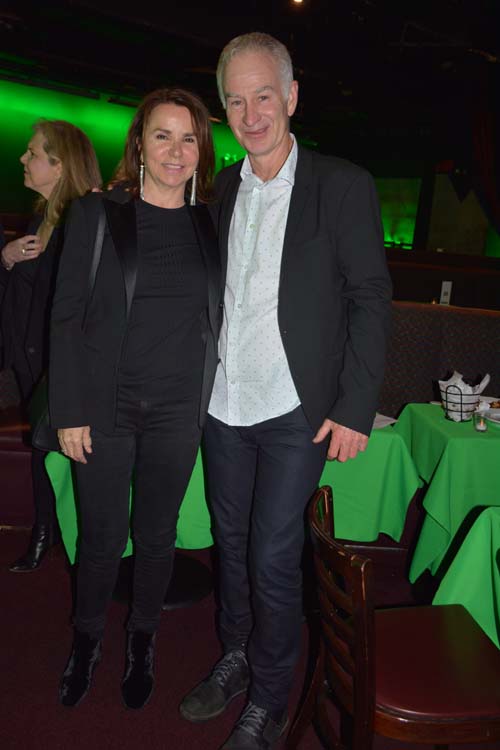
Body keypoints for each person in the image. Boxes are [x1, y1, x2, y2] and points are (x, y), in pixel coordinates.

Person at [179, 32, 392, 749]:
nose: (250, 112)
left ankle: (270, 696)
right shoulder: (221, 189)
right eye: (235, 100)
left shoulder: (342, 185)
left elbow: (370, 297)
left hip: (295, 407)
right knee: (230, 541)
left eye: (263, 94)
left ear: (292, 96)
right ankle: (236, 653)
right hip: (223, 404)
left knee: (273, 551)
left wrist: (355, 406)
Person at [49, 88, 221, 710]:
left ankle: (142, 640)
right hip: (104, 408)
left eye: (187, 138)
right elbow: (64, 317)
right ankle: (87, 642)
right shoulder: (98, 215)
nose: (176, 150)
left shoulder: (211, 222)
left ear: (201, 150)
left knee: (157, 535)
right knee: (100, 538)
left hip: (178, 410)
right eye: (162, 136)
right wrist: (68, 410)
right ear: (140, 146)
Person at [0, 120, 102, 572]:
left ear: (59, 166)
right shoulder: (41, 217)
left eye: (33, 154)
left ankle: (58, 535)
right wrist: (4, 259)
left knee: (63, 454)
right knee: (44, 451)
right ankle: (49, 531)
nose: (23, 160)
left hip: (59, 364)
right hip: (27, 359)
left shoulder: (85, 220)